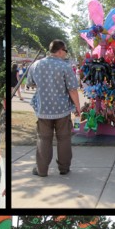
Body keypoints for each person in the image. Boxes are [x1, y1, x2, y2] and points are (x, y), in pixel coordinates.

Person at [28, 40, 81, 176]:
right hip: (62, 109)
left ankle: (42, 170)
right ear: (60, 51)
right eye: (66, 51)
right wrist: (78, 106)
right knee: (64, 138)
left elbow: (31, 84)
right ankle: (64, 168)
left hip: (43, 109)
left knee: (43, 138)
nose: (65, 54)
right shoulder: (65, 67)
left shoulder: (36, 65)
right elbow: (72, 90)